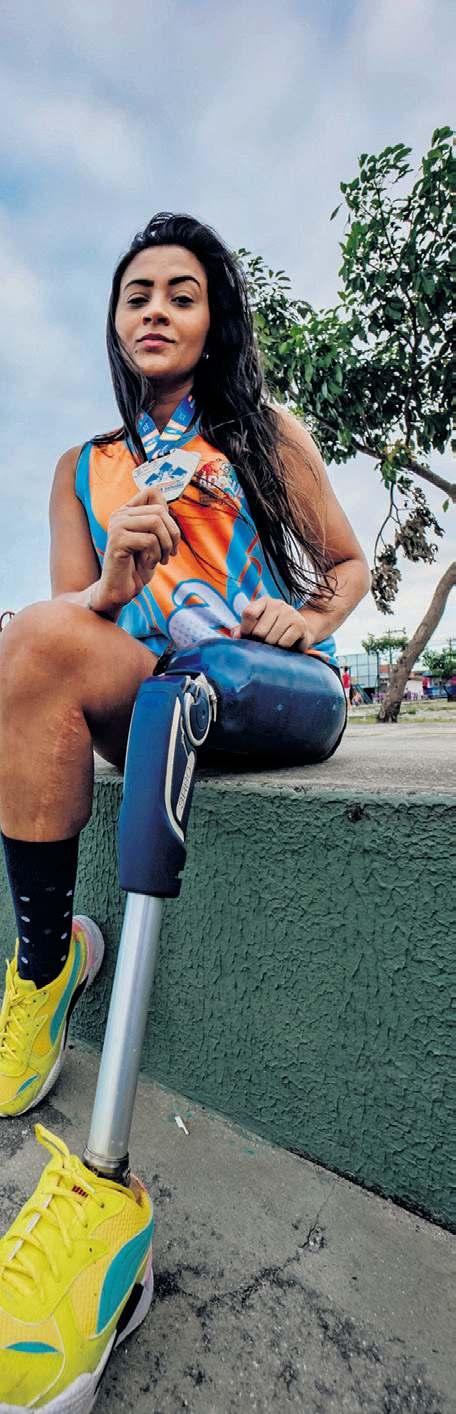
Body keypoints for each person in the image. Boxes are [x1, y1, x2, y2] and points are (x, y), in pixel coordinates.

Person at [0, 213, 370, 1409]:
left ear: (214, 320)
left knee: (181, 688)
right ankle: (46, 965)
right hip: (150, 675)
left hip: (267, 682)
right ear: (115, 323)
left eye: (182, 293)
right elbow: (68, 626)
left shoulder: (263, 433)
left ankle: (106, 1190)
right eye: (136, 295)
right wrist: (112, 582)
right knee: (31, 639)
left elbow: (349, 563)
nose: (156, 309)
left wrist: (309, 619)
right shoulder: (81, 468)